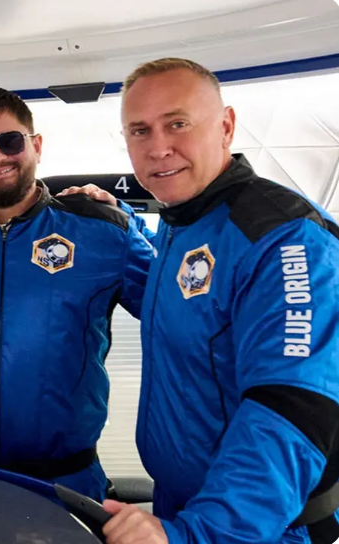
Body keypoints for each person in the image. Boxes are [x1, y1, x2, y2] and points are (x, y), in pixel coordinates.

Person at [100, 58, 339, 544]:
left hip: (257, 526)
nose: (158, 147)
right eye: (140, 131)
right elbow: (183, 308)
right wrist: (118, 219)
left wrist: (200, 534)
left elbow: (292, 409)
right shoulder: (184, 221)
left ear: (226, 126)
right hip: (183, 504)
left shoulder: (282, 237)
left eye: (178, 124)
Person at [0, 87, 155, 501]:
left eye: (10, 141)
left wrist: (130, 219)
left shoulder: (102, 231)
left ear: (37, 145)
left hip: (67, 480)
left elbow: (180, 308)